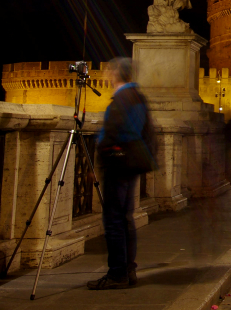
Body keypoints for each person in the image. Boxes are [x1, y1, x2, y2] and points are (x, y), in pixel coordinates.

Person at [88, 57, 154, 290]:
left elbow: (118, 132)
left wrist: (101, 156)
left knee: (114, 220)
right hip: (131, 163)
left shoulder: (122, 99)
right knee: (125, 219)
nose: (106, 73)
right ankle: (128, 269)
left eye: (110, 70)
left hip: (118, 164)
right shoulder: (138, 96)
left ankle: (117, 273)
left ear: (118, 73)